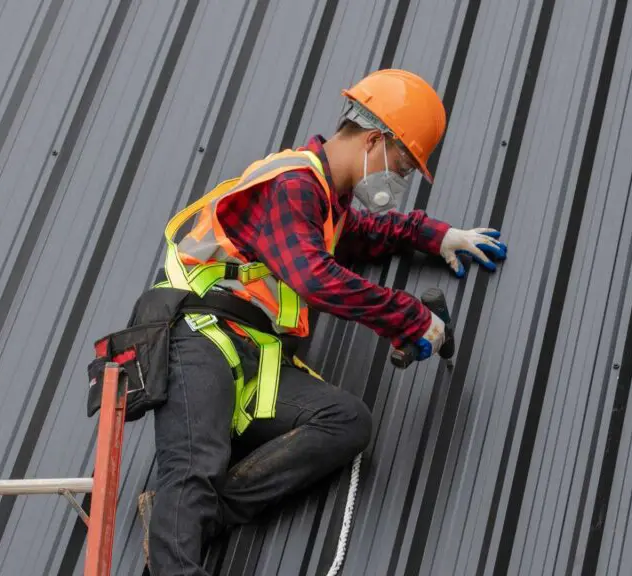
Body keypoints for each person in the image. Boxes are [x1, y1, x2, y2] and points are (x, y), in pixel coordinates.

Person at [144, 69, 508, 575]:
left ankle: (196, 516)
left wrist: (437, 235)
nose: (399, 182)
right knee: (194, 465)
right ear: (376, 140)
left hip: (255, 358)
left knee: (346, 421)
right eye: (402, 165)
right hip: (200, 336)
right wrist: (406, 317)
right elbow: (316, 277)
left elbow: (363, 236)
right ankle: (180, 543)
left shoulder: (324, 203)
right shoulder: (293, 184)